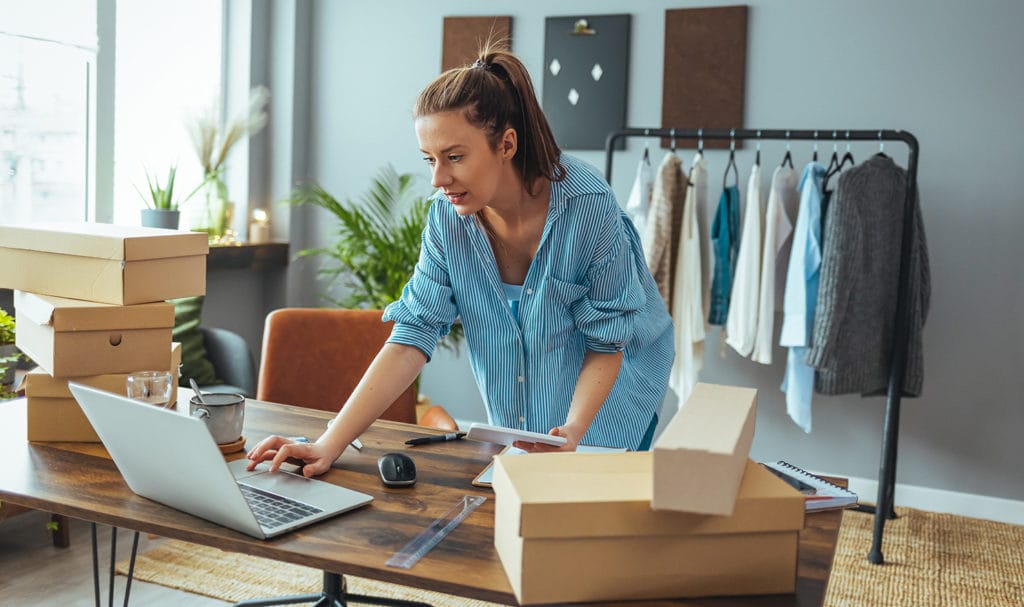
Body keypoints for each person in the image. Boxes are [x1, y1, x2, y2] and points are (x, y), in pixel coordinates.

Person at [248, 43, 674, 477]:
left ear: (506, 144)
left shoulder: (588, 206)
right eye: (429, 159)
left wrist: (574, 431)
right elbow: (413, 335)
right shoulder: (447, 221)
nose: (438, 178)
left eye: (454, 157)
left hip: (611, 405)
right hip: (525, 424)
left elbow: (606, 343)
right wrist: (327, 443)